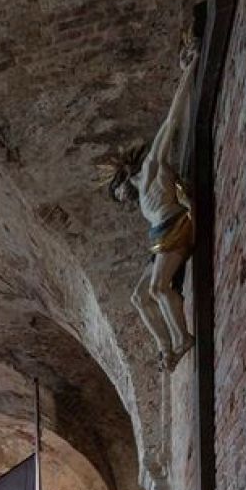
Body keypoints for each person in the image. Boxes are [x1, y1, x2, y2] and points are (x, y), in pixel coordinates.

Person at [108, 38, 200, 371]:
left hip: (177, 226)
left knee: (159, 288)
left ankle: (182, 338)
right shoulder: (143, 202)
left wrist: (188, 70)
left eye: (117, 191)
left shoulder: (151, 166)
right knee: (139, 297)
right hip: (160, 236)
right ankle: (165, 348)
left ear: (123, 177)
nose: (121, 198)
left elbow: (171, 122)